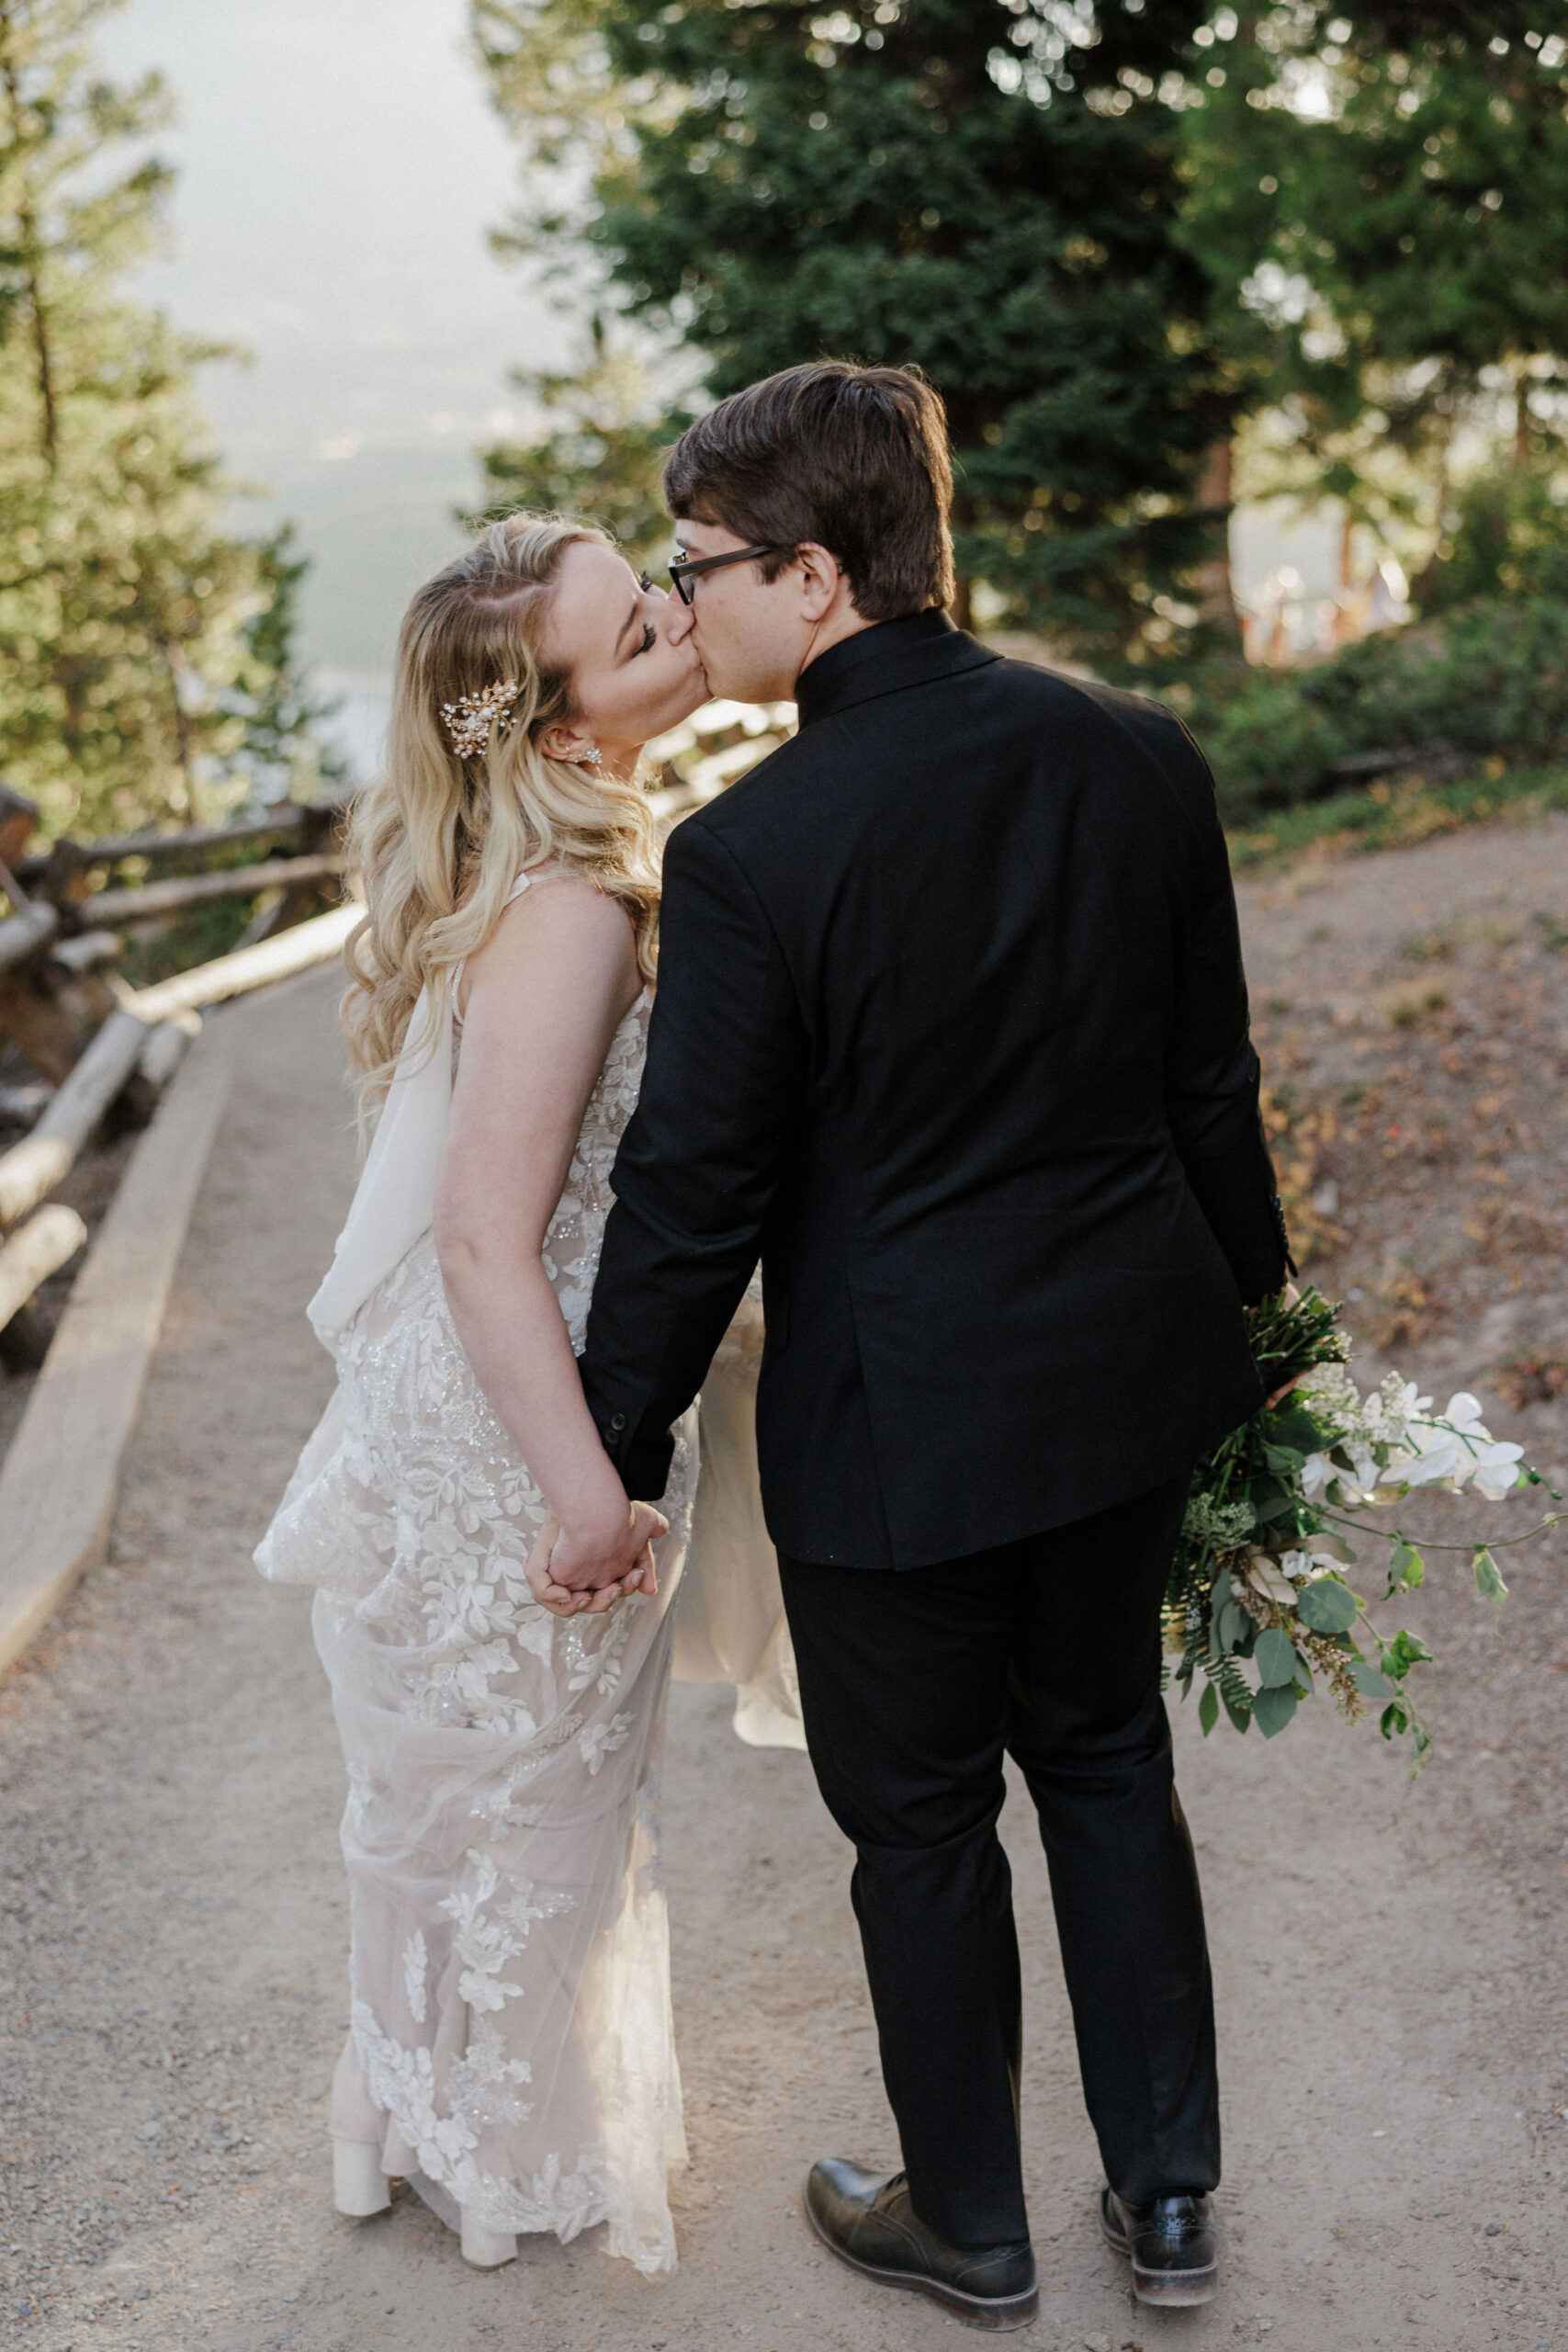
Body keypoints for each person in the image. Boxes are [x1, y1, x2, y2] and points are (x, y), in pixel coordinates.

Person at [553, 362, 1292, 2329]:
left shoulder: (750, 855)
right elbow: (1206, 1086)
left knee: (918, 1820)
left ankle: (967, 2216)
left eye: (700, 565)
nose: (685, 603)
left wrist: (604, 1453)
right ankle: (1166, 2203)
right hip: (1126, 1380)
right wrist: (1265, 1336)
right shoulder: (1136, 754)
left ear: (811, 574)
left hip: (898, 1435)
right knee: (1109, 1759)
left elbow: (691, 1194)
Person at [254, 511, 796, 2280]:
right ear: (559, 725)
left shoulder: (512, 872)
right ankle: (499, 2155)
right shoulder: (569, 912)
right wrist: (585, 1486)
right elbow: (493, 1239)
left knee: (435, 1779)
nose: (673, 616)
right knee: (543, 1784)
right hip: (527, 1397)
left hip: (457, 1385)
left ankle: (381, 2102)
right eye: (633, 621)